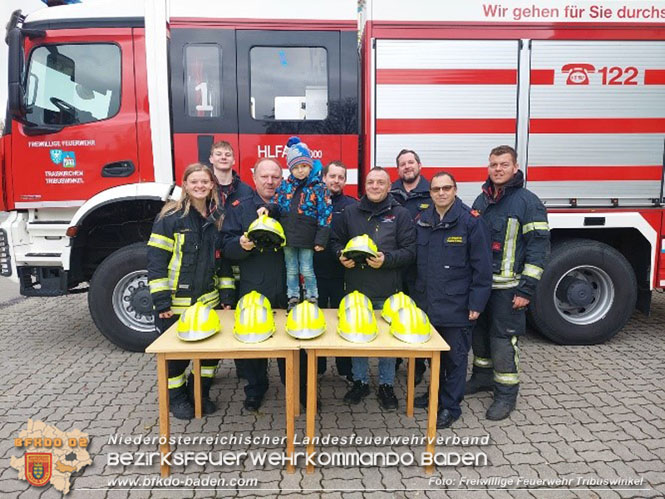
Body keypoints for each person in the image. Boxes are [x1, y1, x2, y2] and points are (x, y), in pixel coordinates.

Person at [467, 145, 550, 420]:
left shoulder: (528, 202)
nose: (498, 169)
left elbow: (539, 250)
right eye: (493, 164)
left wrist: (526, 289)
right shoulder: (482, 200)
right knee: (478, 335)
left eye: (504, 164)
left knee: (502, 341)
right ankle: (481, 378)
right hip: (482, 288)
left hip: (509, 289)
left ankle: (506, 395)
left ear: (515, 167)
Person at [147, 163, 231, 420]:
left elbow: (223, 261)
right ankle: (177, 398)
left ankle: (200, 392)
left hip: (209, 303)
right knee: (176, 357)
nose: (200, 186)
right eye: (194, 181)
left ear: (212, 185)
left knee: (209, 355)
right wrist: (161, 302)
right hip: (176, 303)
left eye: (204, 181)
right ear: (185, 185)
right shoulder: (170, 217)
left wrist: (227, 297)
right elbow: (156, 261)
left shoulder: (217, 218)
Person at [330, 167, 416, 410]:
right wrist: (339, 255)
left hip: (389, 291)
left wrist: (386, 259)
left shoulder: (400, 214)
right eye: (371, 182)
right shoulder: (349, 213)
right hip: (357, 290)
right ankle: (360, 382)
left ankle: (386, 385)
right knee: (359, 339)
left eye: (380, 182)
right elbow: (335, 241)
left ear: (389, 187)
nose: (375, 186)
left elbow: (411, 251)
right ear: (364, 186)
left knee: (387, 342)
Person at [411, 172, 492, 428]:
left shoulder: (470, 222)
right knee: (432, 356)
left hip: (457, 306)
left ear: (455, 190)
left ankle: (450, 406)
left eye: (446, 188)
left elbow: (483, 268)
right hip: (427, 305)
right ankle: (434, 393)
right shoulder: (422, 220)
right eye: (436, 189)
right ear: (431, 193)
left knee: (455, 359)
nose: (441, 193)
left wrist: (476, 305)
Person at [220, 158, 286, 412]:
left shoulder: (290, 205)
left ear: (281, 179)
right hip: (254, 284)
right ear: (254, 177)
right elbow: (225, 245)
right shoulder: (239, 207)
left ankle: (296, 386)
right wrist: (241, 245)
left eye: (275, 177)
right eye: (264, 177)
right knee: (253, 341)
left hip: (287, 285)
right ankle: (255, 389)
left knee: (291, 339)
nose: (270, 182)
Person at [266, 137, 332, 311]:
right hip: (288, 236)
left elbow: (325, 213)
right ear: (290, 169)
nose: (300, 171)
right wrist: (268, 210)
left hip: (307, 237)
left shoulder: (319, 187)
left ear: (310, 165)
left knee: (307, 268)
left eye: (303, 166)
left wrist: (321, 239)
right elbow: (276, 204)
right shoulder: (285, 186)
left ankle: (312, 297)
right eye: (295, 167)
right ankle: (293, 297)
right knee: (291, 269)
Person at [209, 140, 253, 377]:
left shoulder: (245, 190)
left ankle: (243, 368)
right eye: (219, 154)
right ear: (211, 159)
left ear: (234, 160)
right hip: (210, 258)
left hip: (236, 257)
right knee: (213, 313)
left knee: (237, 309)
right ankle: (209, 369)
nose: (224, 157)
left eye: (228, 154)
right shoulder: (204, 186)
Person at [389, 149, 431, 385]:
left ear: (419, 165)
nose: (407, 166)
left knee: (418, 316)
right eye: (402, 164)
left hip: (420, 268)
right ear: (398, 170)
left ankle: (417, 365)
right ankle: (393, 360)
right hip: (395, 267)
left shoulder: (432, 192)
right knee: (395, 313)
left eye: (411, 162)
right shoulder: (390, 192)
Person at [313, 160, 357, 382]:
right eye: (333, 176)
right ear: (324, 178)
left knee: (344, 321)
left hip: (342, 275)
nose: (336, 180)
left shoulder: (352, 206)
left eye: (341, 177)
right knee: (317, 320)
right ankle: (317, 367)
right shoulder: (312, 202)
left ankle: (345, 368)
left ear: (345, 181)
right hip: (315, 274)